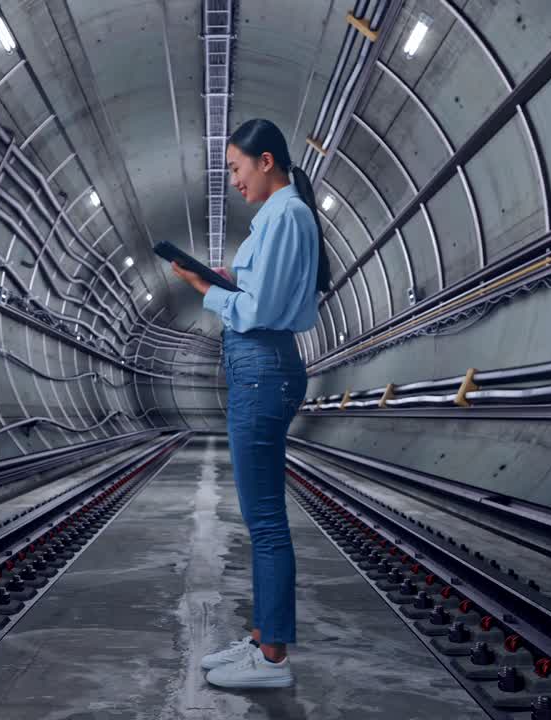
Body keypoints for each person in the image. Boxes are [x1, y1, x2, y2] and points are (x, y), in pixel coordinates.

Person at [171, 117, 330, 689]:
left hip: (262, 368)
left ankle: (272, 660)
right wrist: (227, 280)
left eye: (238, 168)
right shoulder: (279, 217)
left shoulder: (286, 214)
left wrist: (205, 291)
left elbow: (259, 310)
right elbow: (264, 294)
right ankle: (264, 640)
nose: (234, 180)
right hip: (260, 368)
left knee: (265, 523)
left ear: (267, 161)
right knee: (260, 519)